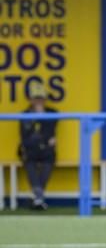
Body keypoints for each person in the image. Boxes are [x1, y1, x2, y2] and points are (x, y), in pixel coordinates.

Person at [18, 81, 58, 210]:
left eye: (41, 98)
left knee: (49, 158)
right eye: (36, 98)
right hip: (30, 150)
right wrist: (42, 138)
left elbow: (49, 132)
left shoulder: (52, 113)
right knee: (29, 160)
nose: (39, 101)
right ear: (31, 99)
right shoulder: (25, 115)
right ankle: (39, 198)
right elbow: (26, 137)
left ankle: (37, 198)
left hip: (46, 151)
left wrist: (41, 116)